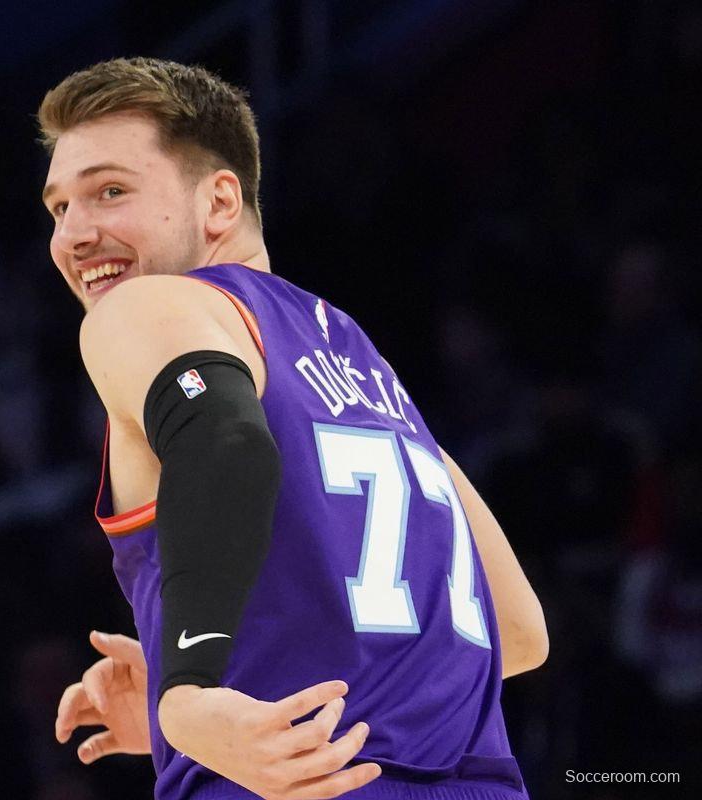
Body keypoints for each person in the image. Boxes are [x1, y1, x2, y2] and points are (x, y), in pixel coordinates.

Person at [38, 58, 548, 800]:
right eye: (58, 208)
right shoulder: (368, 371)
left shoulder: (147, 307)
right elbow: (519, 630)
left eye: (109, 192)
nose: (74, 236)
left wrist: (186, 693)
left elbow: (225, 443)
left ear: (219, 202)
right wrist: (247, 672)